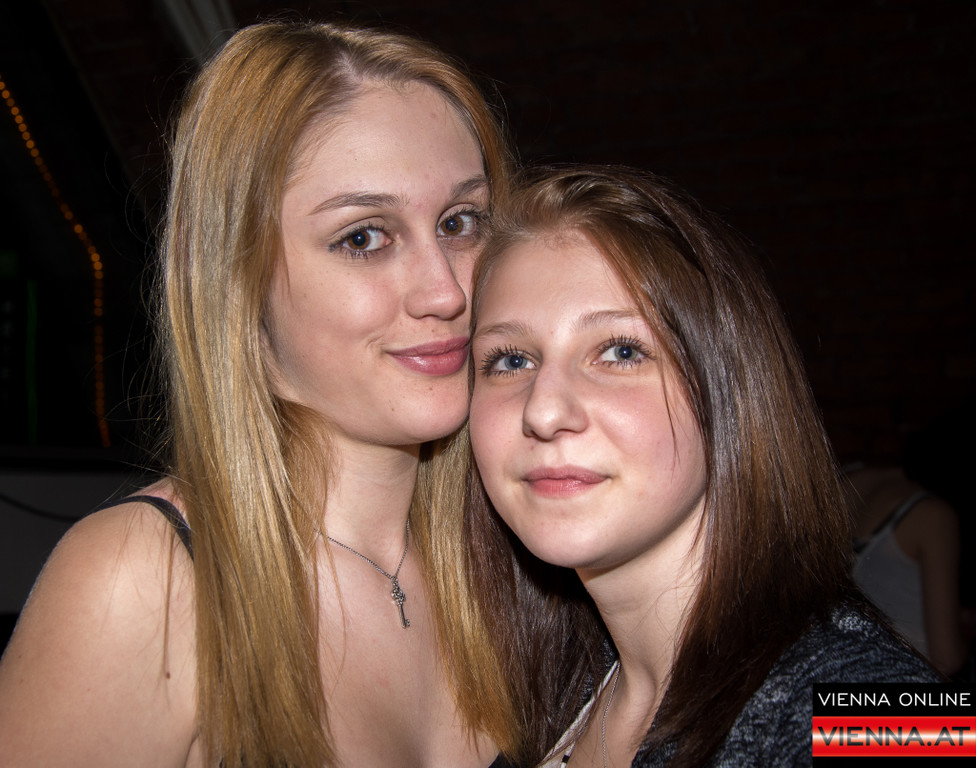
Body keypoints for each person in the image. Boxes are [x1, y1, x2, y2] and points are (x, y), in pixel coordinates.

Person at [0, 20, 519, 767]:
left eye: (460, 222)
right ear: (238, 280)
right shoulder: (145, 584)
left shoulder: (518, 568)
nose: (445, 291)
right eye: (364, 238)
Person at [464, 165, 940, 767]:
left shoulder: (886, 710)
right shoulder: (559, 694)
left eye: (621, 351)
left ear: (726, 388)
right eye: (510, 360)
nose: (545, 410)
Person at [847, 463, 968, 676]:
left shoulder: (847, 483)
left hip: (838, 666)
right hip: (896, 675)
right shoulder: (933, 515)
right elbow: (946, 659)